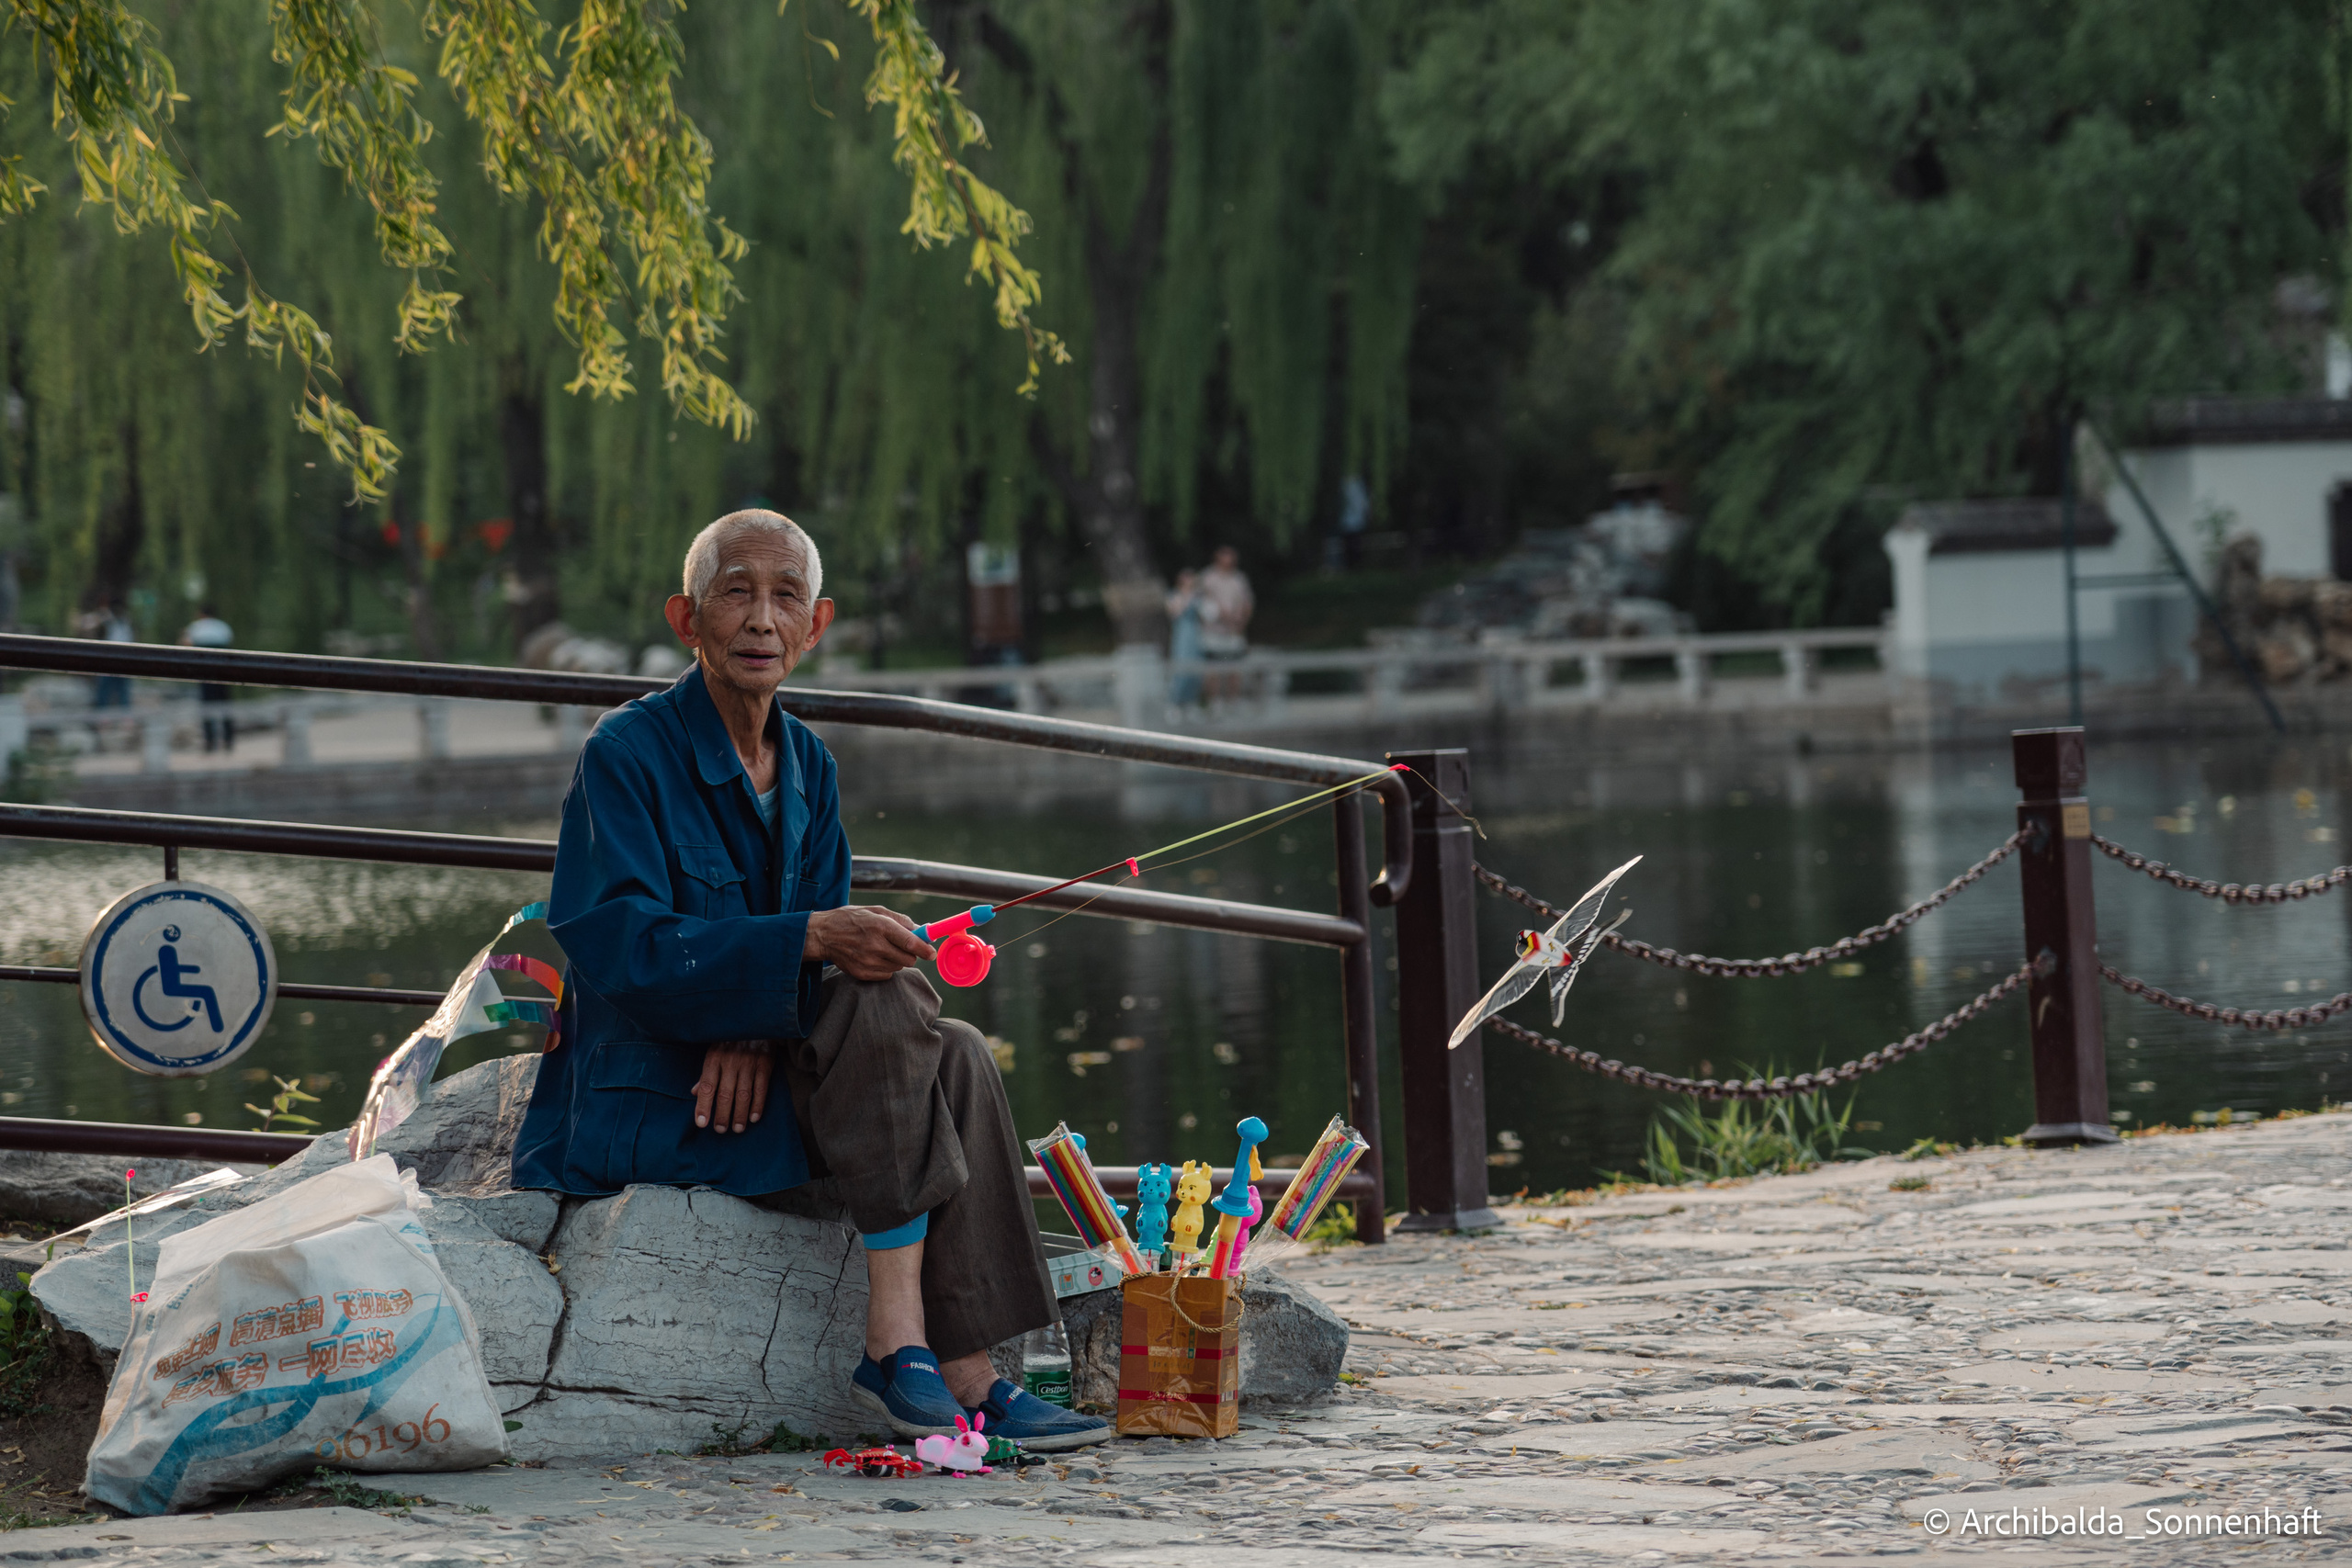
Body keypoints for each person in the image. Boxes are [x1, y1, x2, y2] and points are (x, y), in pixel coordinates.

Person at [510, 509, 1110, 1452]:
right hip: (655, 1101)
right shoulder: (624, 757)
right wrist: (796, 958)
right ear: (686, 619)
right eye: (735, 593)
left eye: (785, 596)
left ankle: (964, 1367)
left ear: (816, 625)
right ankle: (906, 1343)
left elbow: (822, 968)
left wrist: (752, 1028)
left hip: (755, 1077)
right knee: (896, 1006)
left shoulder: (811, 769)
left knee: (948, 1052)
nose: (761, 620)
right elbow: (617, 946)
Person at [1196, 545, 1254, 703]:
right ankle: (1216, 703)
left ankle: (1234, 702)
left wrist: (1241, 622)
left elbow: (1247, 603)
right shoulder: (1208, 577)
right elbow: (1204, 604)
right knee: (1213, 670)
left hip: (1234, 632)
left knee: (1234, 668)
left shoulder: (1239, 578)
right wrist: (1224, 616)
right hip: (1214, 633)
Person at [181, 605, 235, 753]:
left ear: (201, 614)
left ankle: (210, 741)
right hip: (223, 670)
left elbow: (186, 644)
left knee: (206, 706)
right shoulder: (223, 627)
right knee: (225, 704)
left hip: (204, 669)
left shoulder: (195, 627)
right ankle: (229, 739)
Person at [1165, 569, 1204, 708]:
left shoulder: (1199, 596)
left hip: (1195, 636)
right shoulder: (1174, 595)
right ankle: (1174, 703)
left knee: (1196, 670)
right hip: (1181, 635)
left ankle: (1191, 703)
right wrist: (1187, 598)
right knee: (1180, 669)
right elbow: (1174, 613)